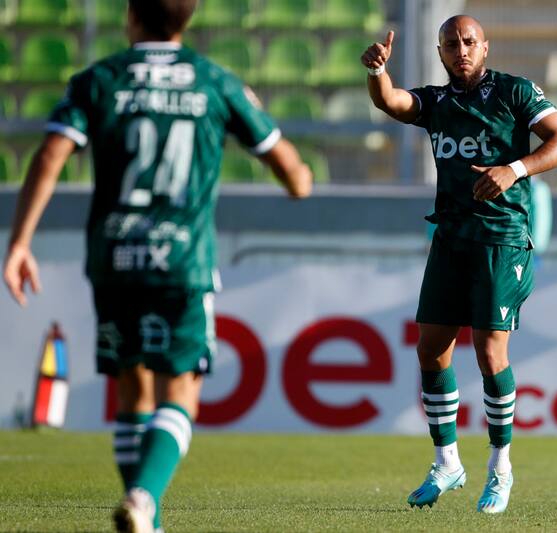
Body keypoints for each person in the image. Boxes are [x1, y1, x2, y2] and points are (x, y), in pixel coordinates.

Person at [2, 1, 312, 532]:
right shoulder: (215, 81)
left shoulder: (99, 79)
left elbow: (53, 152)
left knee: (132, 388)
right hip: (182, 258)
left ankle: (148, 518)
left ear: (130, 15)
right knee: (182, 389)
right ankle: (145, 499)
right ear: (186, 19)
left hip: (114, 255)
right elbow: (293, 175)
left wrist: (20, 242)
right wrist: (297, 177)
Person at [362, 15, 557, 513]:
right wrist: (377, 72)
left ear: (485, 46)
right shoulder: (438, 102)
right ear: (440, 53)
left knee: (488, 351)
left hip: (501, 237)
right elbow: (392, 102)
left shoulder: (515, 92)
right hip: (451, 236)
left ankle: (500, 470)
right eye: (451, 43)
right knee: (431, 349)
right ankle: (447, 462)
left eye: (469, 41)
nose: (461, 49)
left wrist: (513, 168)